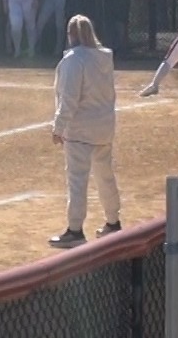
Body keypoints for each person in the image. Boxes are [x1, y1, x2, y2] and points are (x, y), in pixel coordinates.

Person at [49, 14, 122, 247]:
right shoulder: (104, 58)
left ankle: (75, 230)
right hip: (104, 126)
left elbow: (69, 98)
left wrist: (58, 126)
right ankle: (113, 222)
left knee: (77, 180)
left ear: (71, 35)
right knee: (105, 176)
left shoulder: (74, 60)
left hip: (80, 129)